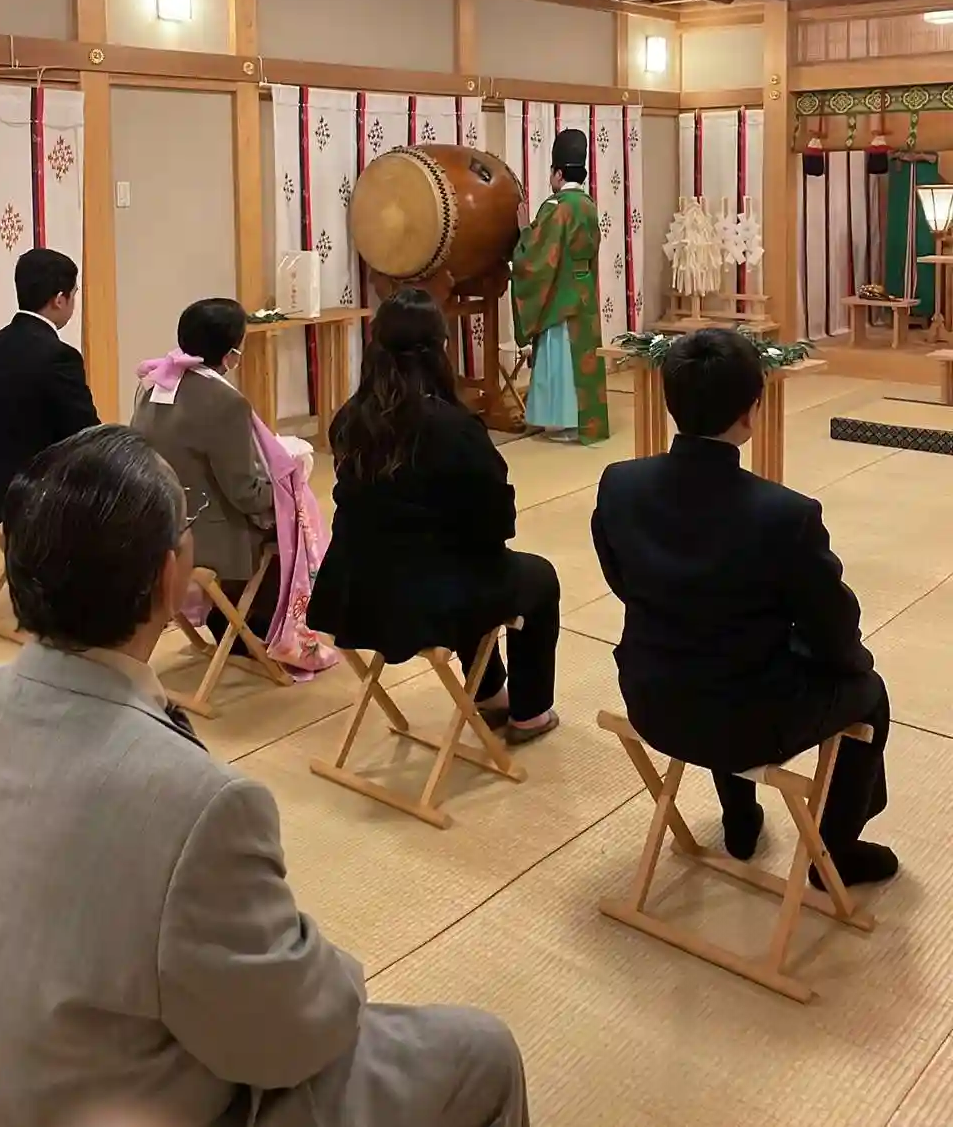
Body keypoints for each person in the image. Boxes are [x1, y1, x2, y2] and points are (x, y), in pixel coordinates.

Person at [0, 426, 529, 1127]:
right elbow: (289, 1035)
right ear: (168, 575)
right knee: (482, 1052)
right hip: (133, 1102)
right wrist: (335, 970)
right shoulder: (199, 804)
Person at [592, 328, 897, 889]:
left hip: (651, 697)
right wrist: (851, 663)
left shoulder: (620, 483)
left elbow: (620, 578)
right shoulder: (784, 514)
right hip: (747, 721)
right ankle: (836, 853)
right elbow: (832, 624)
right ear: (751, 410)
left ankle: (740, 818)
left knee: (721, 655)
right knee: (869, 692)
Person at [309, 287, 560, 744]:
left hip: (354, 586)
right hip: (422, 600)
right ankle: (530, 713)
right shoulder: (454, 427)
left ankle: (488, 694)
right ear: (440, 349)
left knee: (464, 564)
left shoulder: (350, 418)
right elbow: (497, 524)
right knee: (535, 578)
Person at [132, 297, 279, 639]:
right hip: (203, 535)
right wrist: (288, 486)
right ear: (230, 354)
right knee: (291, 525)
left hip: (156, 521)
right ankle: (252, 628)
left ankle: (233, 621)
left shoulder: (154, 384)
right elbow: (245, 493)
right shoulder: (227, 403)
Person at [511, 127, 609, 444]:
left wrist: (524, 231)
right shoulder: (588, 205)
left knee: (561, 357)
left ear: (558, 173)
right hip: (584, 290)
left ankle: (564, 423)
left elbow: (538, 256)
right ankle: (584, 422)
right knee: (580, 358)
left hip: (561, 294)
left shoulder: (556, 207)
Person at [0, 246, 98, 523]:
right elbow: (84, 433)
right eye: (74, 294)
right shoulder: (59, 356)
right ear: (60, 299)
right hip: (40, 501)